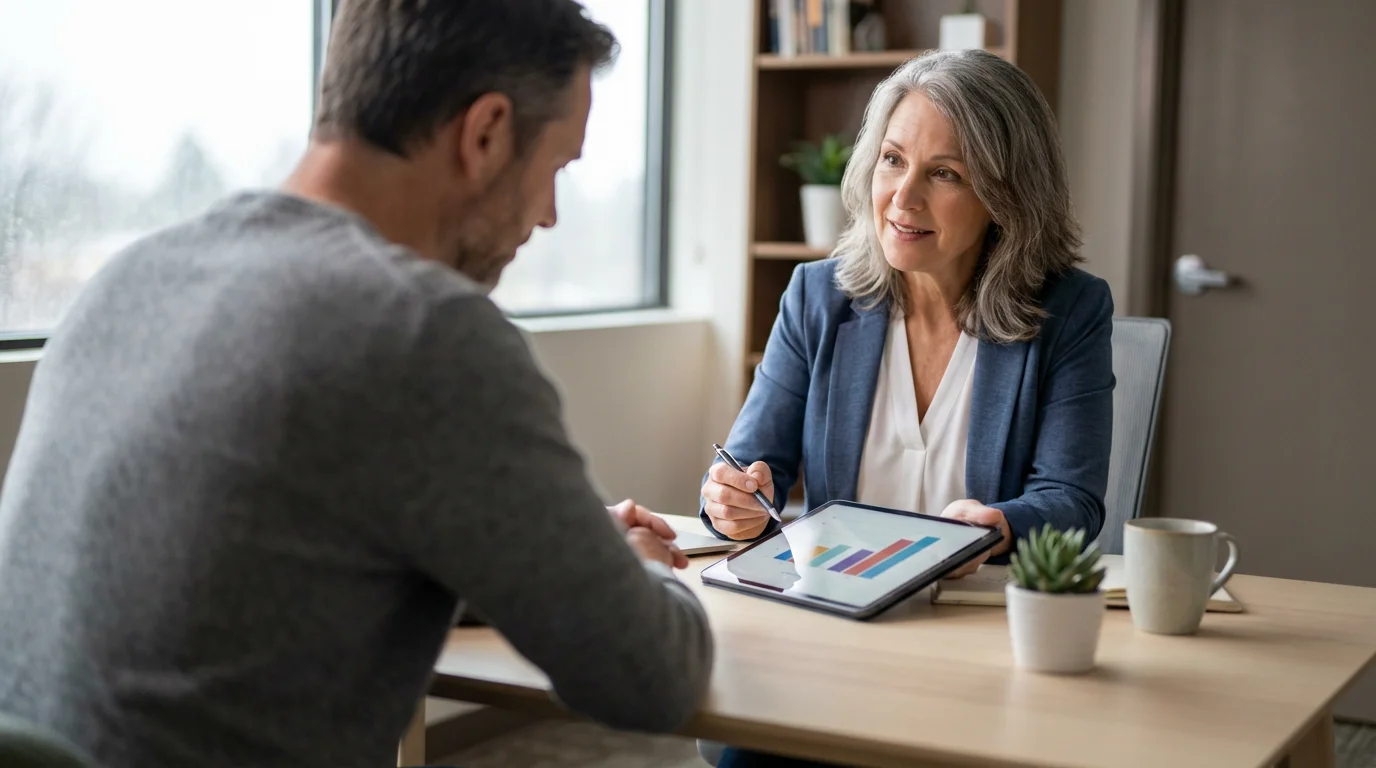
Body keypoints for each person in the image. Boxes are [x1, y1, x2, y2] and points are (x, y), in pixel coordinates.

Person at [0, 2, 713, 767]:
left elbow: (285, 555)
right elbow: (650, 677)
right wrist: (633, 570)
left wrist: (572, 549)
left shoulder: (132, 278)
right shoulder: (422, 329)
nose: (549, 215)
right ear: (486, 133)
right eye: (557, 169)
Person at [700, 48, 1114, 766]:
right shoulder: (817, 297)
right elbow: (745, 467)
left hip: (983, 646)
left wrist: (995, 526)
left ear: (1007, 195)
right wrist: (729, 500)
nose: (903, 197)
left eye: (944, 174)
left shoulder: (1070, 311)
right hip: (832, 631)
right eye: (892, 160)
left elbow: (1072, 501)